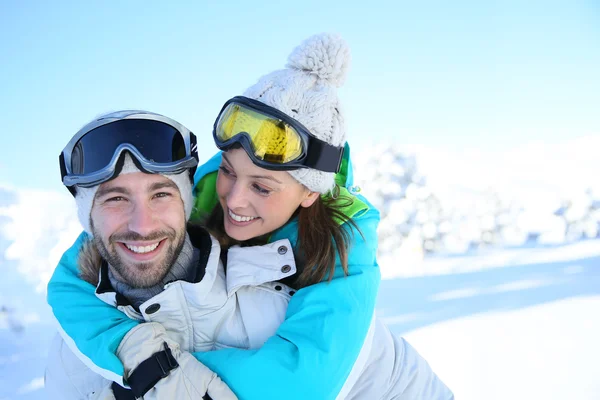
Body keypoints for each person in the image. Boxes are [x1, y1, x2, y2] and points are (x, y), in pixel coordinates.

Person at [47, 33, 453, 399]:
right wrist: (129, 345)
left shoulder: (341, 258)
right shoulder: (201, 194)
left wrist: (152, 381)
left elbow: (300, 384)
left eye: (262, 187)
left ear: (310, 192)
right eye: (227, 171)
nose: (234, 200)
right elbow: (75, 277)